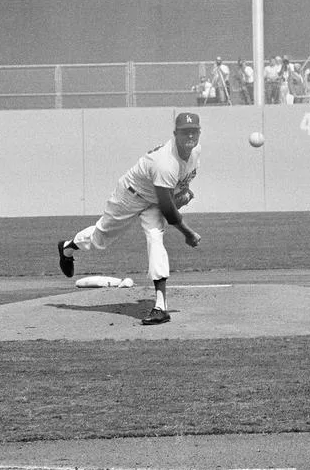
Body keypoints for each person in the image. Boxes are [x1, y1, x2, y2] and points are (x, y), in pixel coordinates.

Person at [57, 113, 203, 326]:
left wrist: (184, 192)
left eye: (194, 131)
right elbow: (170, 212)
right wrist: (188, 233)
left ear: (199, 133)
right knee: (101, 237)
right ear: (175, 134)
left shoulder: (195, 152)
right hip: (130, 195)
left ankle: (160, 307)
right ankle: (68, 248)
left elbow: (176, 186)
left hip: (153, 201)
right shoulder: (164, 162)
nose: (190, 135)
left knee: (155, 238)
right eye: (184, 131)